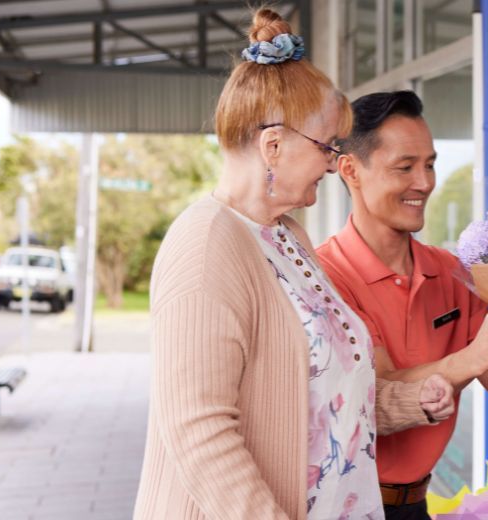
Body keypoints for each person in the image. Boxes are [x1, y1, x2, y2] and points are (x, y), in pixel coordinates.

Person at [133, 11, 459, 520]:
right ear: (274, 145)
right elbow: (199, 433)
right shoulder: (205, 245)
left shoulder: (288, 237)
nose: (334, 165)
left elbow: (322, 396)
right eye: (328, 147)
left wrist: (413, 401)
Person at [316, 91, 488, 519]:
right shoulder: (326, 277)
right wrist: (474, 356)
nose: (425, 182)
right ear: (350, 170)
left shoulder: (450, 270)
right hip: (345, 504)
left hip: (415, 504)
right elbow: (377, 390)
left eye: (429, 164)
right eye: (405, 167)